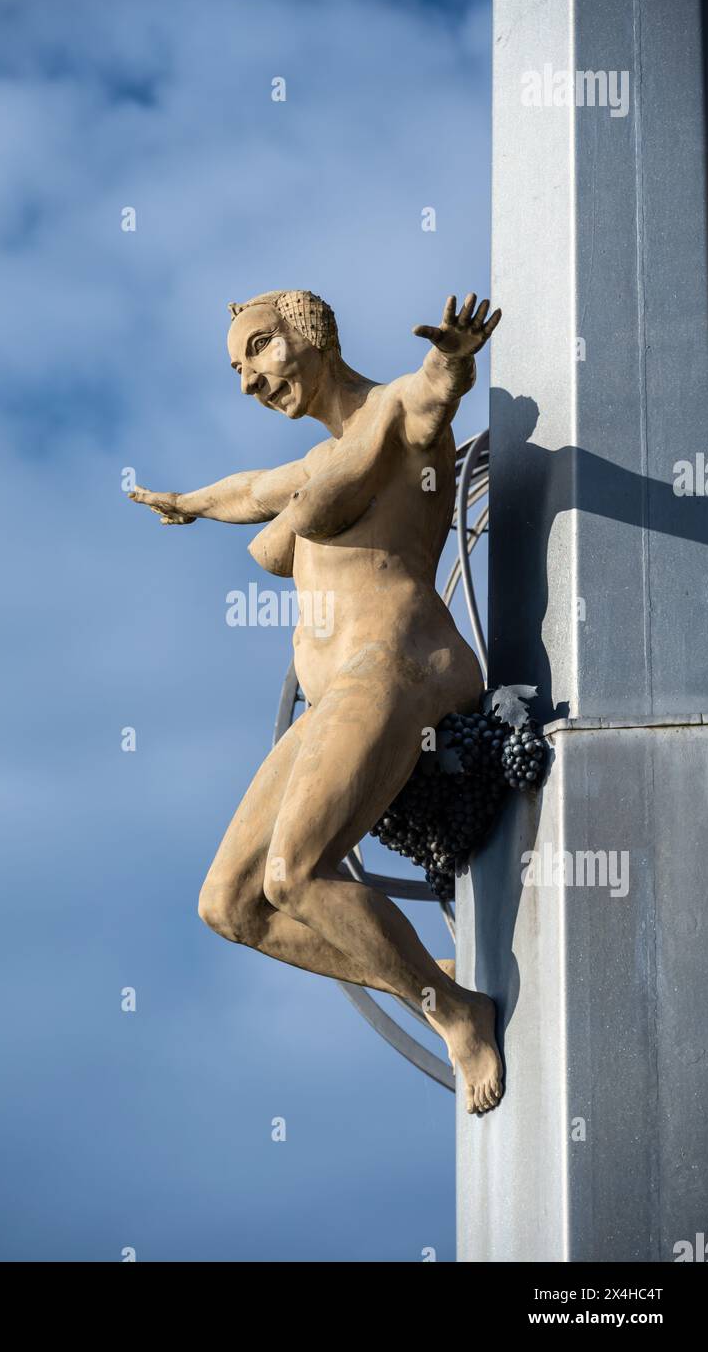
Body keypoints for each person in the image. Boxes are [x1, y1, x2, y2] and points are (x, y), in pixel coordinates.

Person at [129, 288, 503, 1113]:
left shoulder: (392, 413)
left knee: (295, 871)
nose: (250, 382)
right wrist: (185, 504)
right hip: (335, 698)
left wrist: (453, 354)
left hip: (399, 664)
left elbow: (436, 395)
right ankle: (427, 977)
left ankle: (456, 1014)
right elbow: (248, 492)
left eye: (259, 351)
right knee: (228, 904)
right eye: (236, 368)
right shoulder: (315, 464)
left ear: (313, 335)